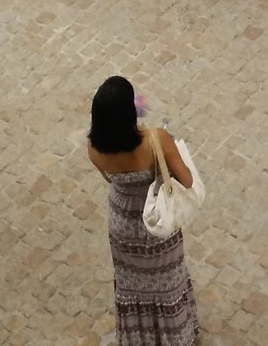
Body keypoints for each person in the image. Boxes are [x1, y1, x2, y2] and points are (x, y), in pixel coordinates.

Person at [87, 75, 199, 346]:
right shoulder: (156, 140)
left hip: (122, 222)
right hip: (156, 219)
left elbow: (110, 179)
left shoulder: (93, 148)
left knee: (132, 283)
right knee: (166, 282)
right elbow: (186, 180)